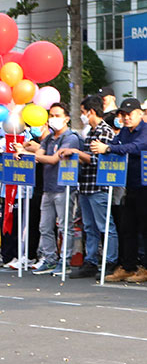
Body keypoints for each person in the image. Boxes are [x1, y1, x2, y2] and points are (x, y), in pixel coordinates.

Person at [99, 99, 147, 283]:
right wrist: (107, 148)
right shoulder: (125, 131)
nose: (126, 118)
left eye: (129, 114)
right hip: (129, 185)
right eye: (123, 115)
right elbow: (117, 144)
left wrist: (109, 148)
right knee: (127, 227)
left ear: (140, 114)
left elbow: (137, 147)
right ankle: (128, 266)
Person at [28, 103, 81, 275]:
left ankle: (64, 261)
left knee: (65, 227)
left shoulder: (70, 138)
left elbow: (51, 160)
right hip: (48, 187)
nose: (53, 119)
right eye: (51, 115)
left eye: (57, 115)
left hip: (64, 187)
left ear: (66, 118)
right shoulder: (49, 138)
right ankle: (50, 259)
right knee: (45, 226)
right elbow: (42, 154)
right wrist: (28, 152)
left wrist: (30, 154)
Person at [73, 95, 117, 279]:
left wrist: (77, 153)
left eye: (83, 112)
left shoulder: (104, 131)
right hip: (86, 185)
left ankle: (110, 260)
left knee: (106, 226)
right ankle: (91, 260)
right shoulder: (89, 131)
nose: (83, 116)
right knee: (89, 227)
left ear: (91, 112)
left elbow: (98, 160)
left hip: (99, 186)